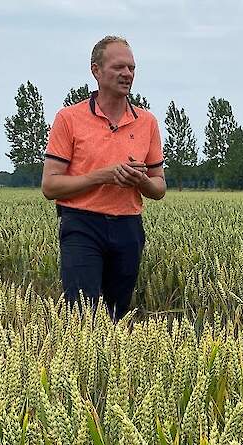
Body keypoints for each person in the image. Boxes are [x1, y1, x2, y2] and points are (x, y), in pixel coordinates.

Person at [41, 35, 166, 320]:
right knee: (84, 316)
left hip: (128, 228)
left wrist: (140, 181)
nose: (127, 74)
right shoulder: (69, 118)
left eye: (132, 68)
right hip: (82, 225)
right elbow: (50, 186)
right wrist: (102, 176)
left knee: (117, 317)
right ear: (96, 70)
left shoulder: (147, 122)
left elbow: (159, 187)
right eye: (119, 67)